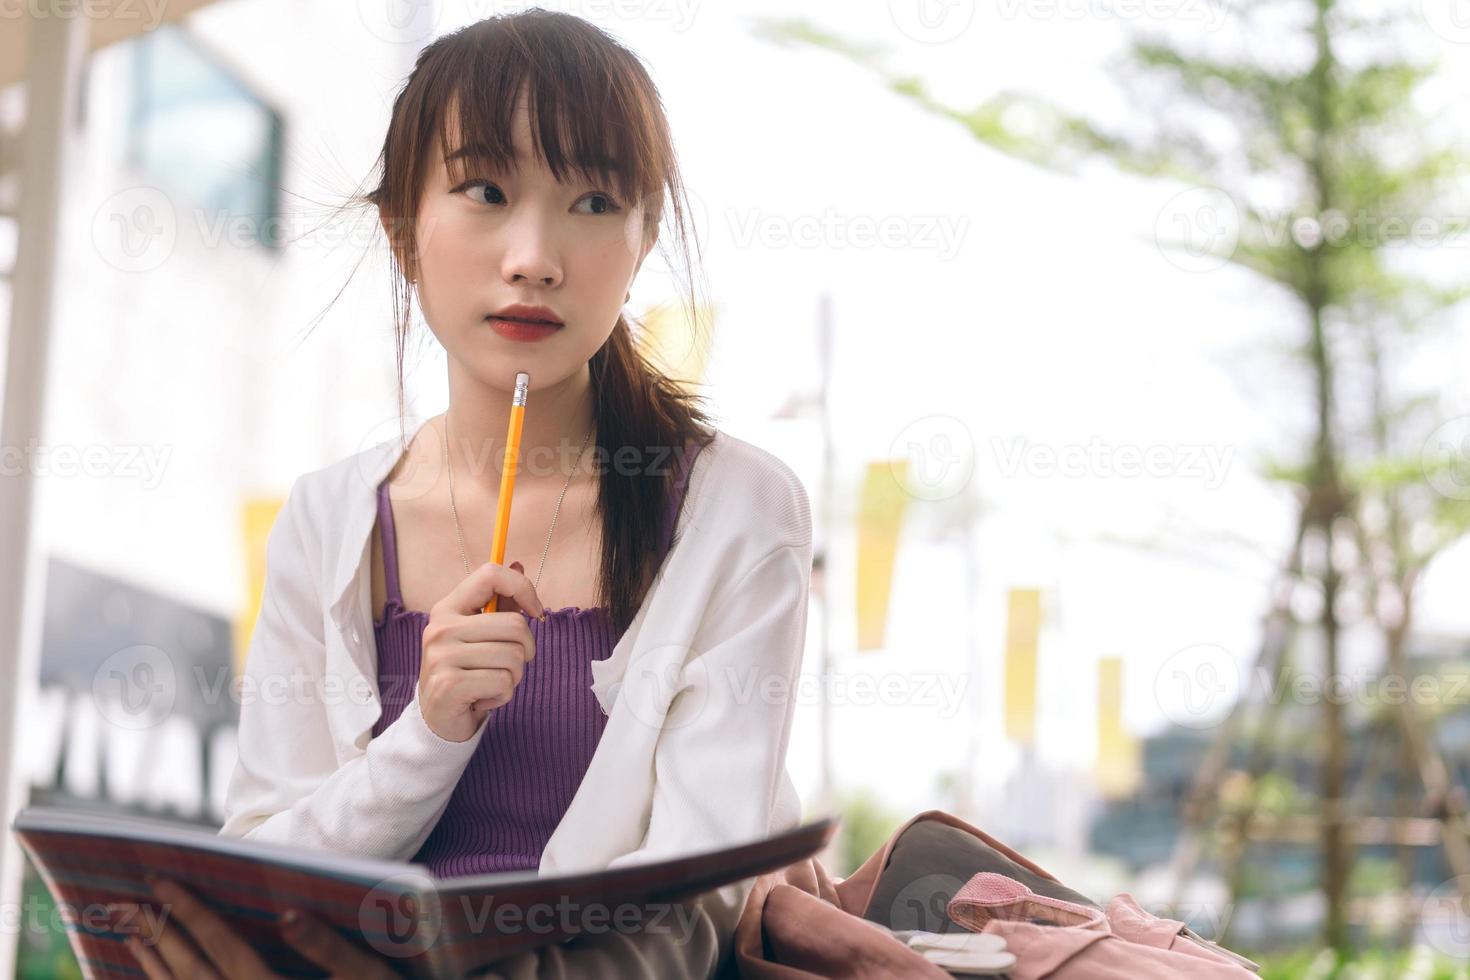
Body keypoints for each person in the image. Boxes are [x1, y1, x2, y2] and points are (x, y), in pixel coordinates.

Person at [120, 9, 813, 979]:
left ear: (645, 235)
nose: (534, 254)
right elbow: (268, 866)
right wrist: (429, 731)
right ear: (403, 229)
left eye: (594, 199)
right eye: (485, 189)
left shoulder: (738, 508)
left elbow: (699, 906)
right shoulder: (326, 521)